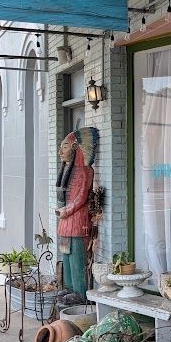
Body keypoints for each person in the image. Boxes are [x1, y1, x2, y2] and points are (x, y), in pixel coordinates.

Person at [55, 127, 98, 299]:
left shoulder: (86, 171)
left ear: (74, 148)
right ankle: (70, 287)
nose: (61, 151)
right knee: (66, 255)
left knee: (77, 258)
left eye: (64, 147)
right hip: (65, 221)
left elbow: (81, 197)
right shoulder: (67, 170)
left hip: (78, 221)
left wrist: (66, 210)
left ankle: (80, 291)